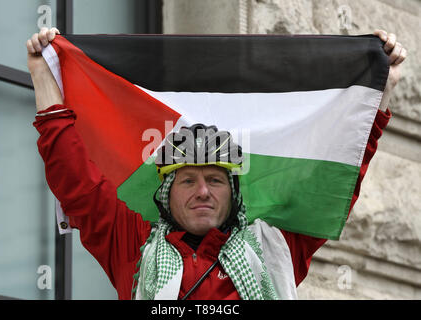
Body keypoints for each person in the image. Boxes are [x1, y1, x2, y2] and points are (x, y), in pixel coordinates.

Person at [27, 28, 406, 300]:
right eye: (187, 180)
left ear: (234, 190)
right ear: (166, 192)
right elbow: (77, 185)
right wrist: (43, 79)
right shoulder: (132, 244)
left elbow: (333, 175)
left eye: (215, 179)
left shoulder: (278, 247)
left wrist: (379, 90)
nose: (203, 191)